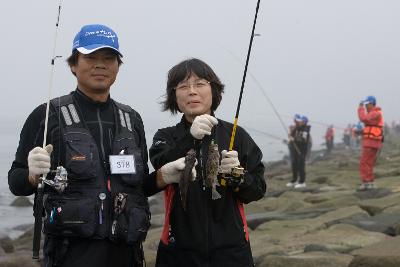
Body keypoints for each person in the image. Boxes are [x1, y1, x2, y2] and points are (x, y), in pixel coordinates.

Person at [7, 24, 169, 267]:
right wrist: (31, 176)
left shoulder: (132, 119)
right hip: (69, 254)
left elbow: (138, 187)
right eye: (90, 57)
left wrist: (164, 176)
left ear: (118, 66)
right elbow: (15, 181)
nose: (100, 64)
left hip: (126, 253)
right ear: (73, 64)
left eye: (109, 58)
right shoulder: (47, 115)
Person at [148, 58, 266, 266]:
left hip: (232, 251)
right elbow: (159, 167)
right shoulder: (165, 136)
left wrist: (238, 176)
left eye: (200, 84)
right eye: (183, 86)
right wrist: (190, 139)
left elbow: (257, 190)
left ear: (214, 91)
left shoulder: (236, 135)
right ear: (174, 96)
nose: (192, 91)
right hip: (178, 252)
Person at [357, 95, 384, 190]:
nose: (365, 106)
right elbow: (371, 126)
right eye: (364, 105)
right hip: (373, 142)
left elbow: (364, 119)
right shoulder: (375, 113)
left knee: (364, 162)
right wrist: (360, 132)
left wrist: (360, 108)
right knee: (369, 162)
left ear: (372, 104)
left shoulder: (375, 113)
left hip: (371, 143)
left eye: (366, 104)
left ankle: (366, 182)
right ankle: (370, 182)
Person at [286, 114, 311, 188]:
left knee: (301, 166)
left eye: (301, 121)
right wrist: (291, 135)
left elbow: (303, 140)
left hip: (302, 151)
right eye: (299, 121)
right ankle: (294, 180)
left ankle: (302, 182)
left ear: (304, 122)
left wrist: (294, 140)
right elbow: (291, 135)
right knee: (294, 164)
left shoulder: (306, 130)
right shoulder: (297, 128)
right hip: (295, 151)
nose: (299, 122)